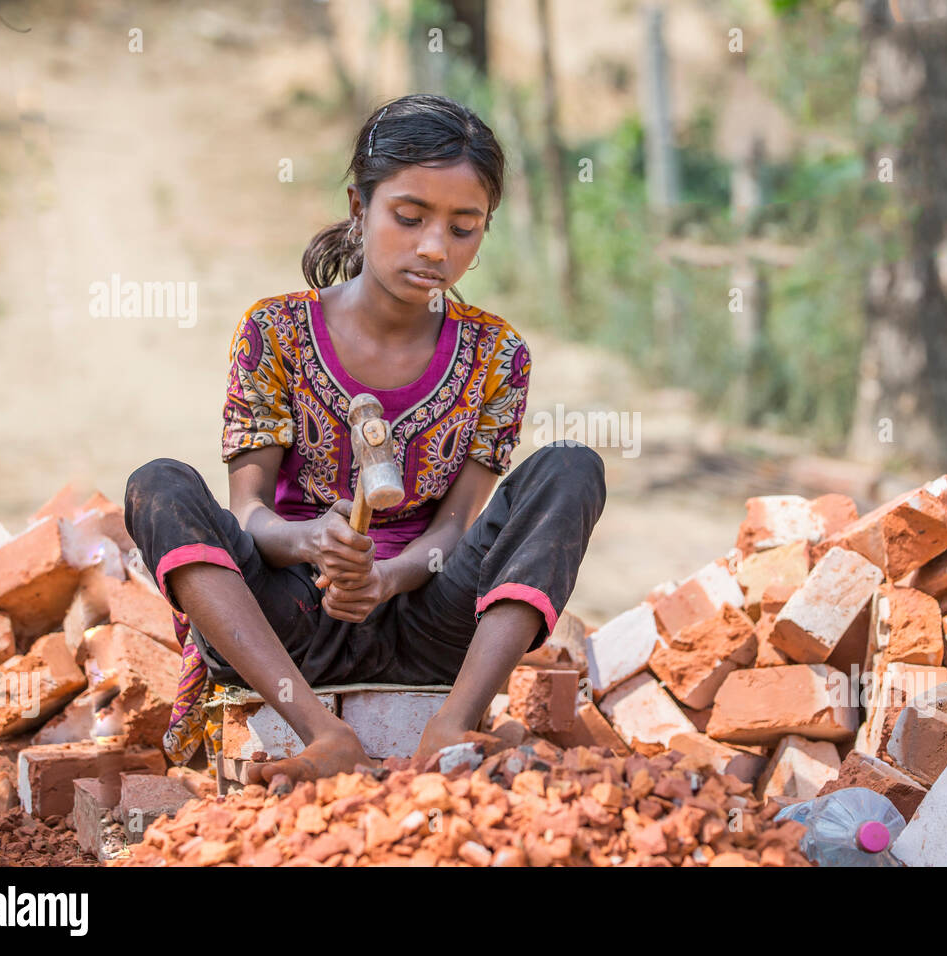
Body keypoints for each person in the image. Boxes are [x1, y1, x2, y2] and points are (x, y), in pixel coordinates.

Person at [124, 93, 606, 785]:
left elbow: (454, 529)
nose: (435, 247)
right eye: (408, 218)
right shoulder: (276, 332)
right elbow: (249, 512)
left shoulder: (498, 354)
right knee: (158, 484)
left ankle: (453, 721)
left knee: (570, 468)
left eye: (464, 227)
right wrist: (311, 539)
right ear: (360, 205)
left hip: (426, 628)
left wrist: (387, 577)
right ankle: (322, 732)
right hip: (292, 622)